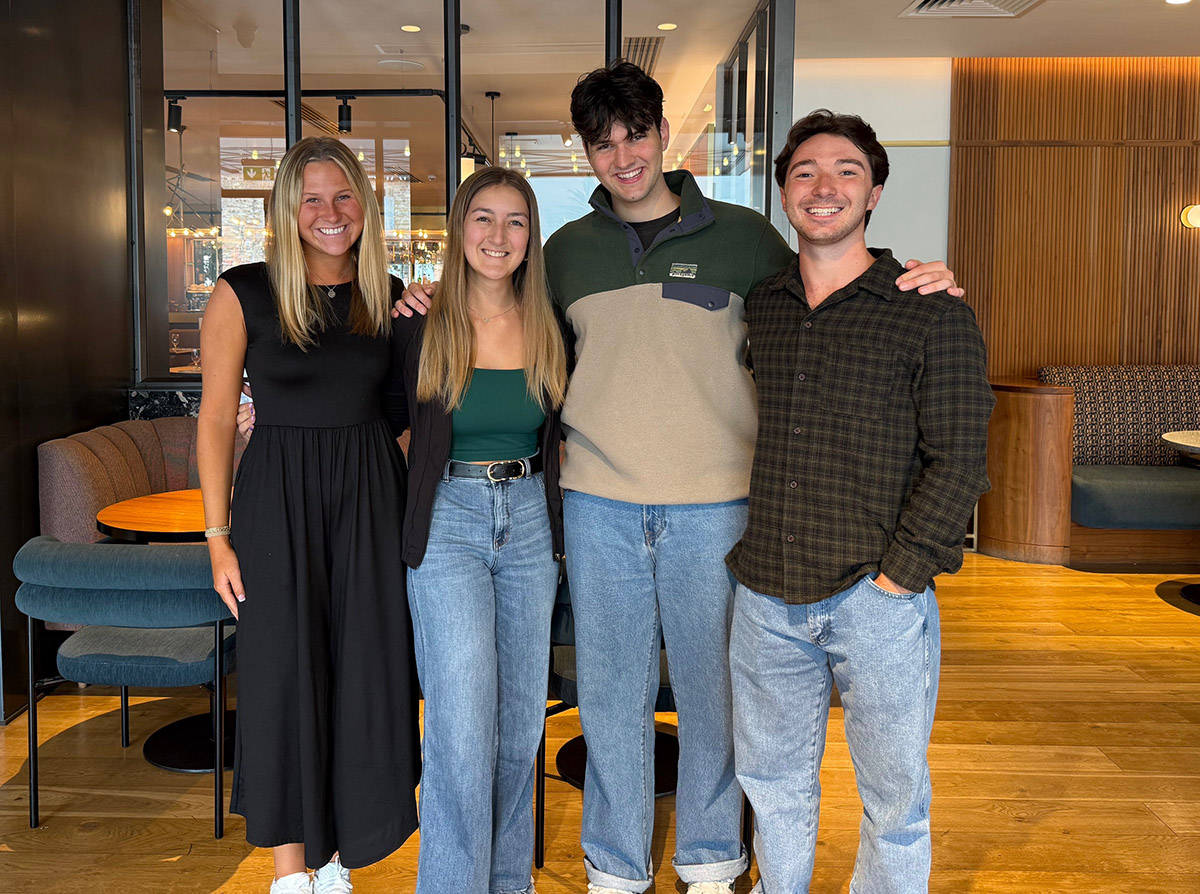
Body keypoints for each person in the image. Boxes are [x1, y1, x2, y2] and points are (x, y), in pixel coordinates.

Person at [396, 62, 960, 894]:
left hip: (720, 510)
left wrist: (918, 278)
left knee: (715, 702)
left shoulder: (746, 239)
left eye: (636, 134)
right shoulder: (563, 253)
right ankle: (617, 867)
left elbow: (827, 291)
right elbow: (502, 325)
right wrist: (422, 299)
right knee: (612, 703)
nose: (623, 155)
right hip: (596, 508)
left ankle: (709, 860)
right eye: (602, 143)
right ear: (588, 155)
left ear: (664, 135)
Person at [725, 109, 994, 893]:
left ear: (874, 191)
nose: (824, 186)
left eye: (846, 171)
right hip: (766, 591)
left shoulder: (931, 310)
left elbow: (961, 458)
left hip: (875, 595)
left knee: (894, 799)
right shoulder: (765, 307)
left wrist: (900, 577)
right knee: (773, 787)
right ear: (783, 194)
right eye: (805, 171)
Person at [198, 136, 420, 894]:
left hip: (368, 501)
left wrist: (425, 324)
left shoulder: (386, 296)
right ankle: (291, 871)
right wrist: (217, 538)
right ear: (286, 209)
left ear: (365, 204)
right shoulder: (242, 292)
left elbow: (404, 414)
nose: (330, 213)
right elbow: (217, 421)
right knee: (282, 675)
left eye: (344, 196)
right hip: (274, 506)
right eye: (313, 198)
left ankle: (340, 862)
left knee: (364, 674)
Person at [380, 166, 568, 894]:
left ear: (531, 235)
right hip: (449, 522)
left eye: (515, 220)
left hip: (528, 523)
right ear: (460, 229)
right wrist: (263, 412)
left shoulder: (552, 319)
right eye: (482, 218)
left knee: (519, 729)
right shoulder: (417, 322)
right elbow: (372, 411)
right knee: (461, 730)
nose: (498, 235)